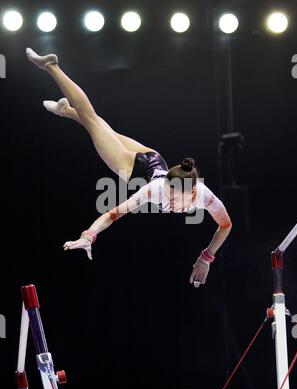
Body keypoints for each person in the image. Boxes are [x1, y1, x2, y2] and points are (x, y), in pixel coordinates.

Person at [26, 48, 232, 287]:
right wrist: (88, 236)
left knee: (104, 131)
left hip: (154, 159)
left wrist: (206, 258)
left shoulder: (205, 197)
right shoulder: (154, 190)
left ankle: (67, 111)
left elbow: (225, 225)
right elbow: (112, 214)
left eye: (177, 200)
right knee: (92, 119)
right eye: (170, 196)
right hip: (132, 168)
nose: (173, 204)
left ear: (193, 192)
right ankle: (51, 66)